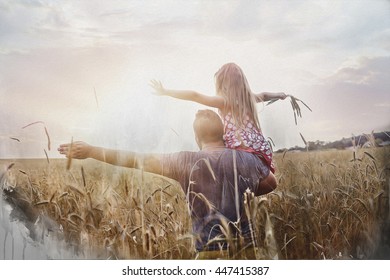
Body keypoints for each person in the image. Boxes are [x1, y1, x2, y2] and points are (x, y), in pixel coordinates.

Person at [58, 109, 277, 258]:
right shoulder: (248, 159)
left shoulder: (185, 161)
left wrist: (91, 151)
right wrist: (241, 190)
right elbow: (271, 183)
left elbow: (137, 160)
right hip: (248, 252)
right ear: (223, 134)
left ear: (196, 136)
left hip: (211, 253)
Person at [150, 62, 287, 174]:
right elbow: (263, 95)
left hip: (238, 147)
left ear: (223, 83)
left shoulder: (225, 101)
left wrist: (166, 92)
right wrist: (279, 95)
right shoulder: (249, 99)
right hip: (258, 147)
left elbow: (194, 95)